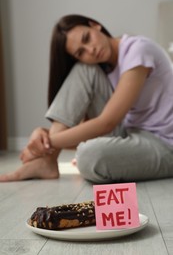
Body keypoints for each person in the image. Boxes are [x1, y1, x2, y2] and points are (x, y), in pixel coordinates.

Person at [1, 14, 173, 183]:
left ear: (94, 25)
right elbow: (89, 130)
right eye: (80, 52)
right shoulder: (104, 67)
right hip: (130, 132)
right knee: (84, 69)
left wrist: (44, 143)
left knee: (88, 156)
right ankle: (48, 160)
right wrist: (44, 138)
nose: (91, 50)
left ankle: (47, 156)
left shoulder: (138, 50)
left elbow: (107, 122)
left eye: (87, 38)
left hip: (164, 145)